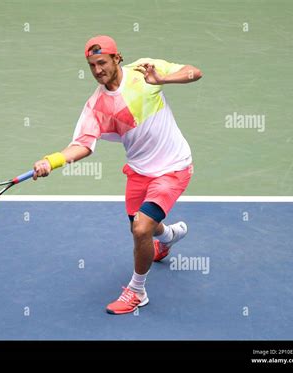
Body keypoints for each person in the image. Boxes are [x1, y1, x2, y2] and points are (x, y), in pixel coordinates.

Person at [33, 35, 202, 315]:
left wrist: (162, 81)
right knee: (141, 230)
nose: (98, 70)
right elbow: (82, 145)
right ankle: (169, 236)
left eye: (102, 62)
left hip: (174, 166)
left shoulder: (144, 72)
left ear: (117, 58)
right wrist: (52, 161)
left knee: (141, 228)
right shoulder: (96, 105)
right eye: (91, 65)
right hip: (139, 171)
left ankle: (137, 291)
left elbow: (195, 72)